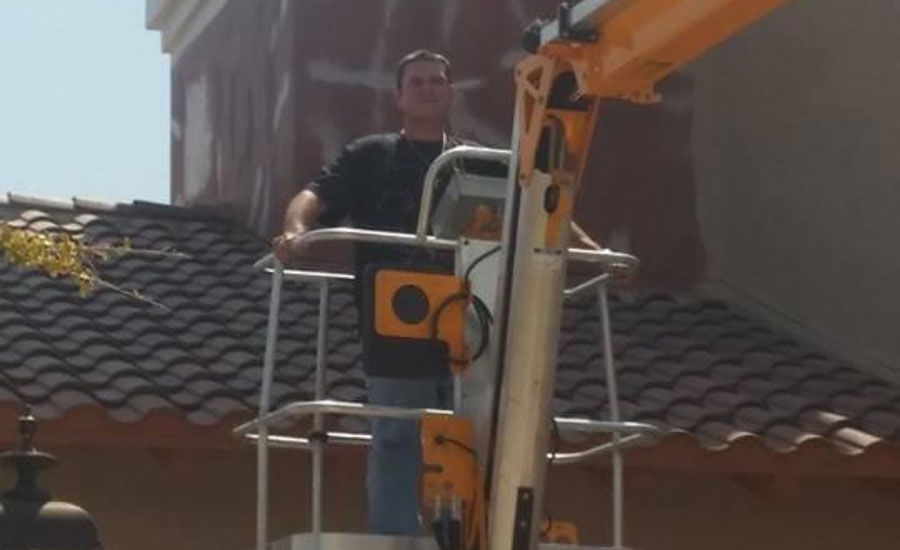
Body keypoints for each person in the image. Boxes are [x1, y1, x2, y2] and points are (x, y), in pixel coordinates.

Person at [273, 49, 602, 535]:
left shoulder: (472, 161)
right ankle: (396, 535)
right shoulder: (369, 156)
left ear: (449, 92)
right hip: (395, 320)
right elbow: (313, 197)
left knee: (475, 438)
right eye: (418, 82)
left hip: (471, 326)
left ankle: (473, 531)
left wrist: (593, 251)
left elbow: (542, 202)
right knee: (395, 434)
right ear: (399, 96)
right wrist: (295, 230)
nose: (427, 88)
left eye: (436, 81)